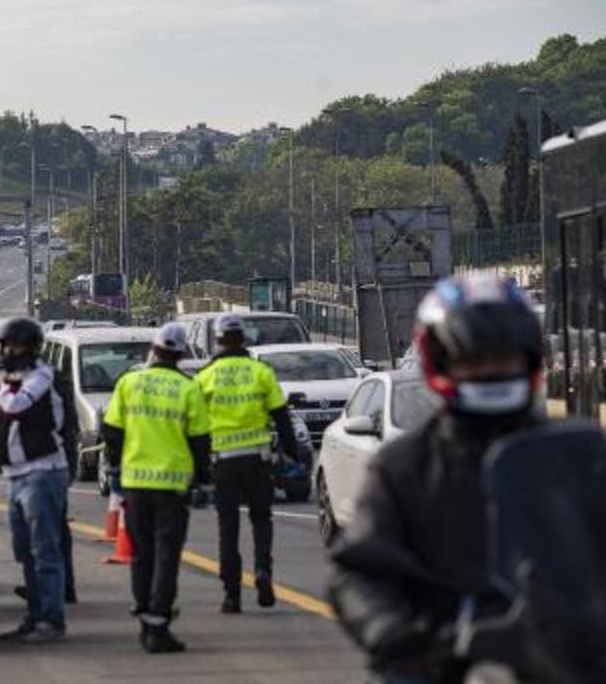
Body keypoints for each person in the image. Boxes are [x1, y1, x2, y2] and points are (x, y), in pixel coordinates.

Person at [328, 274, 545, 682]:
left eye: (503, 358)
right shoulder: (405, 464)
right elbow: (358, 571)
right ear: (440, 362)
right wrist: (390, 630)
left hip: (558, 654)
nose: (490, 371)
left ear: (529, 358)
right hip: (444, 659)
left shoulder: (572, 456)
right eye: (473, 359)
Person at [102, 322, 210, 653]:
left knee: (141, 555)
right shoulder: (187, 388)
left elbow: (111, 431)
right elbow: (200, 442)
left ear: (154, 348)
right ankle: (158, 622)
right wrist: (201, 481)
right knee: (167, 557)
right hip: (172, 487)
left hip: (134, 484)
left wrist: (118, 467)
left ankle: (145, 615)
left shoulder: (129, 383)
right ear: (179, 353)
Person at [0, 317, 74, 643]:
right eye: (3, 346)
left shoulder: (42, 376)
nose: (5, 352)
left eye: (11, 346)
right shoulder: (14, 379)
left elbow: (15, 407)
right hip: (17, 474)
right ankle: (35, 614)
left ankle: (51, 619)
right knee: (24, 551)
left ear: (29, 347)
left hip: (43, 472)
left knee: (45, 550)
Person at [194, 313, 298, 614]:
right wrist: (291, 455)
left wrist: (199, 470)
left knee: (228, 527)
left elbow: (197, 430)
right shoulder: (260, 372)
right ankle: (263, 572)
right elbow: (282, 417)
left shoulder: (205, 377)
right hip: (258, 459)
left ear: (218, 341)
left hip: (223, 463)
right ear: (243, 339)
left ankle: (232, 593)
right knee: (261, 521)